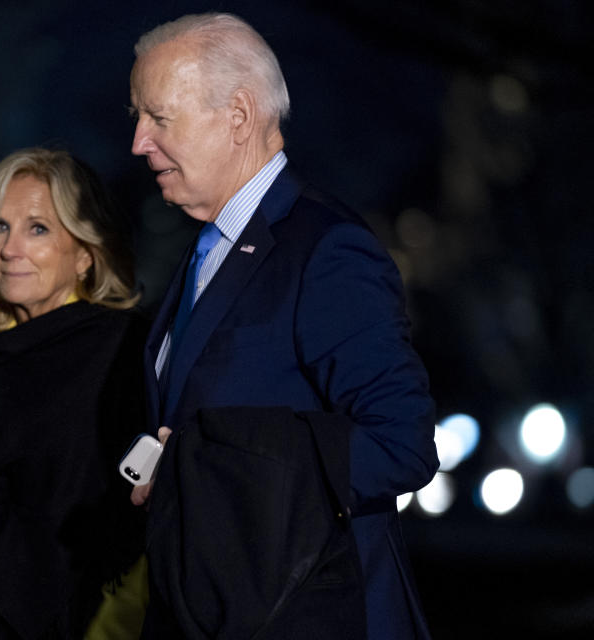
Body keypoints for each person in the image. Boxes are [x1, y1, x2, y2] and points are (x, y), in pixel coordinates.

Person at [127, 13, 439, 640]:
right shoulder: (205, 249)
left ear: (238, 115)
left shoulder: (327, 249)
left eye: (159, 118)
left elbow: (402, 444)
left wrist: (206, 465)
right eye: (138, 118)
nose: (139, 142)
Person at [0, 148, 149, 639]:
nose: (10, 249)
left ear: (85, 253)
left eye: (37, 228)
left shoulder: (122, 348)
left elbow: (142, 507)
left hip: (92, 615)